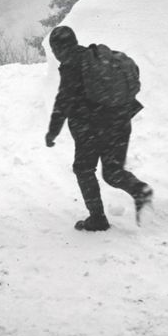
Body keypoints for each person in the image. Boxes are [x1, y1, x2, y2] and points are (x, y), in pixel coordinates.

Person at [45, 25, 153, 231]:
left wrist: (52, 132)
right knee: (113, 172)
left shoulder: (72, 66)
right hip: (120, 121)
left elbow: (63, 102)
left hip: (92, 128)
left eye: (54, 50)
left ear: (59, 49)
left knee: (83, 169)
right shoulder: (95, 58)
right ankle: (140, 190)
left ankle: (97, 218)